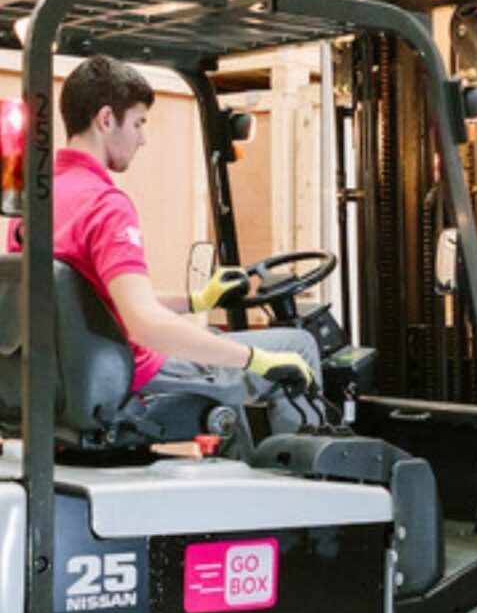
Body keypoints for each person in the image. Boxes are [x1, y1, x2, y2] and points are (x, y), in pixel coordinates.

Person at [8, 54, 323, 454]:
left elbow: (88, 305)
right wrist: (253, 358)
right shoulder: (105, 205)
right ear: (106, 119)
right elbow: (143, 325)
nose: (143, 138)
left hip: (67, 380)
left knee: (209, 337)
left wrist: (196, 301)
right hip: (133, 374)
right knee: (298, 348)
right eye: (138, 123)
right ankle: (310, 503)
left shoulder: (36, 203)